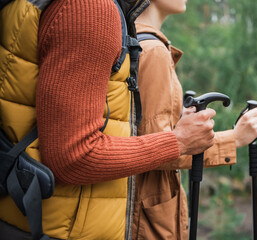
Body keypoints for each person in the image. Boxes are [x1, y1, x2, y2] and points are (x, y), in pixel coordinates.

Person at [0, 0, 218, 239]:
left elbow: (83, 110)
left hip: (26, 216)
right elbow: (74, 156)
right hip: (62, 230)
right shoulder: (90, 9)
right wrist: (179, 141)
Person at [132, 0, 257, 239]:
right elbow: (155, 150)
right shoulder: (152, 51)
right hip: (148, 224)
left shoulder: (138, 40)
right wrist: (234, 138)